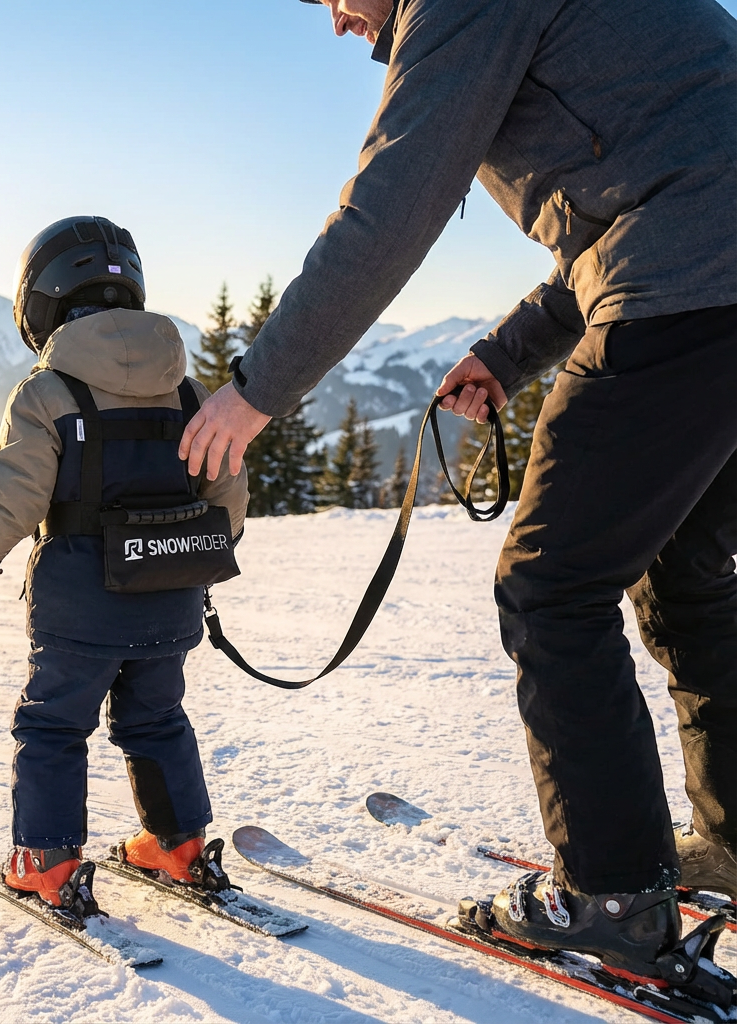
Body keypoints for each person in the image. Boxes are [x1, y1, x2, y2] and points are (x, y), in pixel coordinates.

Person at [180, 0, 736, 988]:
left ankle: (610, 895)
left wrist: (258, 388)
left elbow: (391, 204)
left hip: (689, 283)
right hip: (707, 270)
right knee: (684, 566)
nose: (340, 23)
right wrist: (505, 353)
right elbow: (649, 188)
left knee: (550, 585)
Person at [0, 216, 249, 909]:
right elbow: (229, 499)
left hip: (78, 608)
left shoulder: (49, 392)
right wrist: (182, 560)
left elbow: (11, 506)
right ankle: (179, 847)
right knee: (158, 719)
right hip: (171, 596)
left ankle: (50, 864)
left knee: (54, 724)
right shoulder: (189, 392)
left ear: (42, 300)